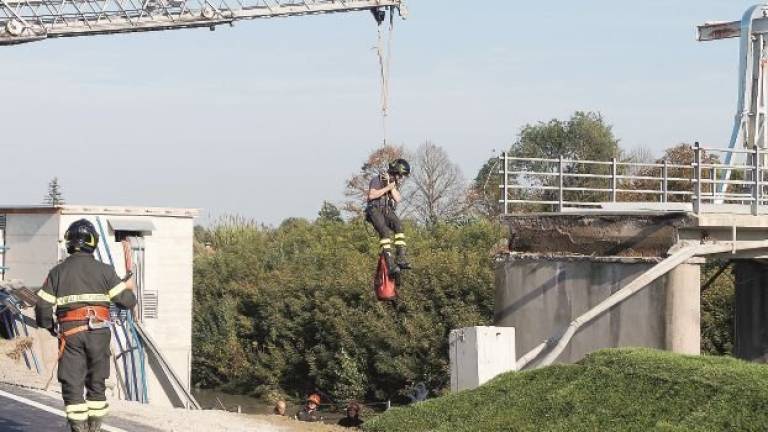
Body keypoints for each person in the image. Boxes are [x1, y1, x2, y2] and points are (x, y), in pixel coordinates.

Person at [35, 219, 137, 432]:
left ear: (69, 242)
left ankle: (78, 429)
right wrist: (128, 288)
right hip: (99, 334)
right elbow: (127, 302)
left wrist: (50, 327)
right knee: (97, 384)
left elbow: (43, 307)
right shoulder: (106, 271)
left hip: (71, 335)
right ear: (93, 242)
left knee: (72, 384)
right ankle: (95, 428)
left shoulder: (57, 272)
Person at [366, 158, 412, 276]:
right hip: (375, 209)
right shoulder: (378, 179)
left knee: (399, 226)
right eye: (400, 175)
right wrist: (387, 188)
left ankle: (401, 258)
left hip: (386, 209)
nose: (401, 178)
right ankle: (390, 264)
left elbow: (398, 199)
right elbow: (371, 195)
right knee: (385, 232)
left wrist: (391, 187)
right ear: (396, 172)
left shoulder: (392, 183)